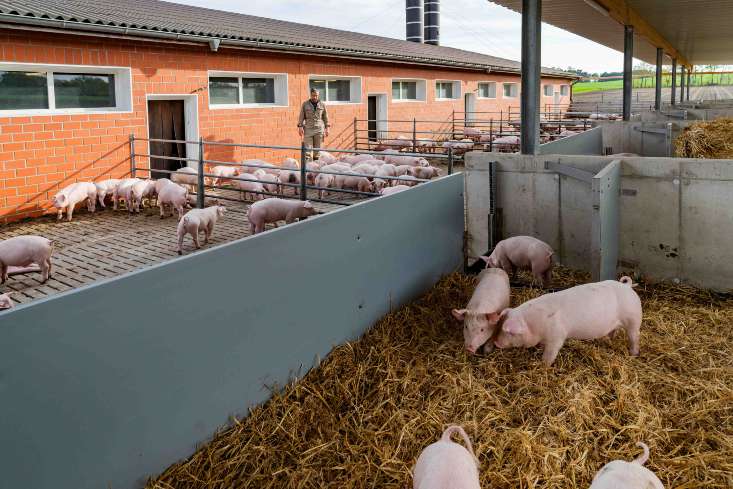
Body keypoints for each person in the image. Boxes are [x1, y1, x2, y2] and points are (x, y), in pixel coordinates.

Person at [298, 88, 330, 161]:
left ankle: (315, 169)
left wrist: (327, 128)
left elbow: (325, 117)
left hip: (319, 130)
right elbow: (301, 116)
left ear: (318, 95)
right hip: (308, 129)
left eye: (316, 95)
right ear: (310, 95)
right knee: (307, 152)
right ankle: (308, 169)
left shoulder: (322, 104)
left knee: (317, 151)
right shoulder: (305, 104)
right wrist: (300, 127)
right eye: (313, 95)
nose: (314, 97)